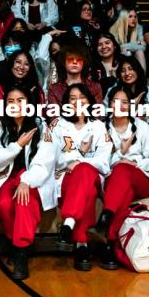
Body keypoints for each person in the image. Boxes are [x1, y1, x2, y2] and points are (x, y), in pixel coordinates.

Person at [0, 84, 57, 280]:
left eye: (20, 100)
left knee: (24, 201)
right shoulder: (0, 126)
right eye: (10, 101)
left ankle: (21, 253)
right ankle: (15, 242)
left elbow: (46, 159)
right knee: (3, 206)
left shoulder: (40, 126)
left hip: (32, 176)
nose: (15, 104)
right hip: (7, 175)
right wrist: (17, 146)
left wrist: (27, 180)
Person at [89, 85, 149, 269]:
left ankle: (106, 216)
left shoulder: (142, 127)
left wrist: (135, 164)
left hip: (143, 178)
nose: (120, 106)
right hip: (115, 182)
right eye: (115, 101)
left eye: (124, 102)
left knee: (122, 170)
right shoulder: (101, 128)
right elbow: (98, 161)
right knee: (124, 190)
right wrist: (119, 155)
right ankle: (110, 243)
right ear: (109, 104)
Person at [52, 84, 112, 270]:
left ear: (89, 101)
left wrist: (78, 161)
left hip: (91, 176)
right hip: (64, 179)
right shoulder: (58, 125)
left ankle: (68, 225)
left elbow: (104, 162)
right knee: (86, 186)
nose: (78, 101)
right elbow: (54, 157)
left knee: (85, 172)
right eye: (72, 98)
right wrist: (80, 155)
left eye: (82, 97)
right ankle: (81, 245)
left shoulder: (99, 126)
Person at [92, 32, 121, 97]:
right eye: (99, 44)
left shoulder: (125, 61)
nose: (104, 47)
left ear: (115, 45)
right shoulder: (92, 66)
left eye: (107, 43)